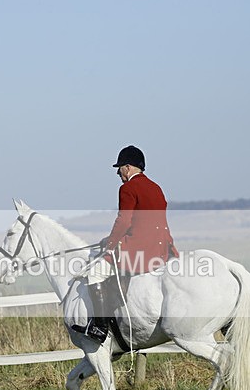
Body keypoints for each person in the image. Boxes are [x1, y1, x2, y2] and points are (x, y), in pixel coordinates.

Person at [72, 145, 178, 343]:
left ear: (127, 167)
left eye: (119, 168)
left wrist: (110, 244)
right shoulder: (156, 187)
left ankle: (99, 327)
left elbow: (124, 221)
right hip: (162, 249)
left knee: (95, 273)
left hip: (140, 250)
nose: (117, 173)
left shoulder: (128, 188)